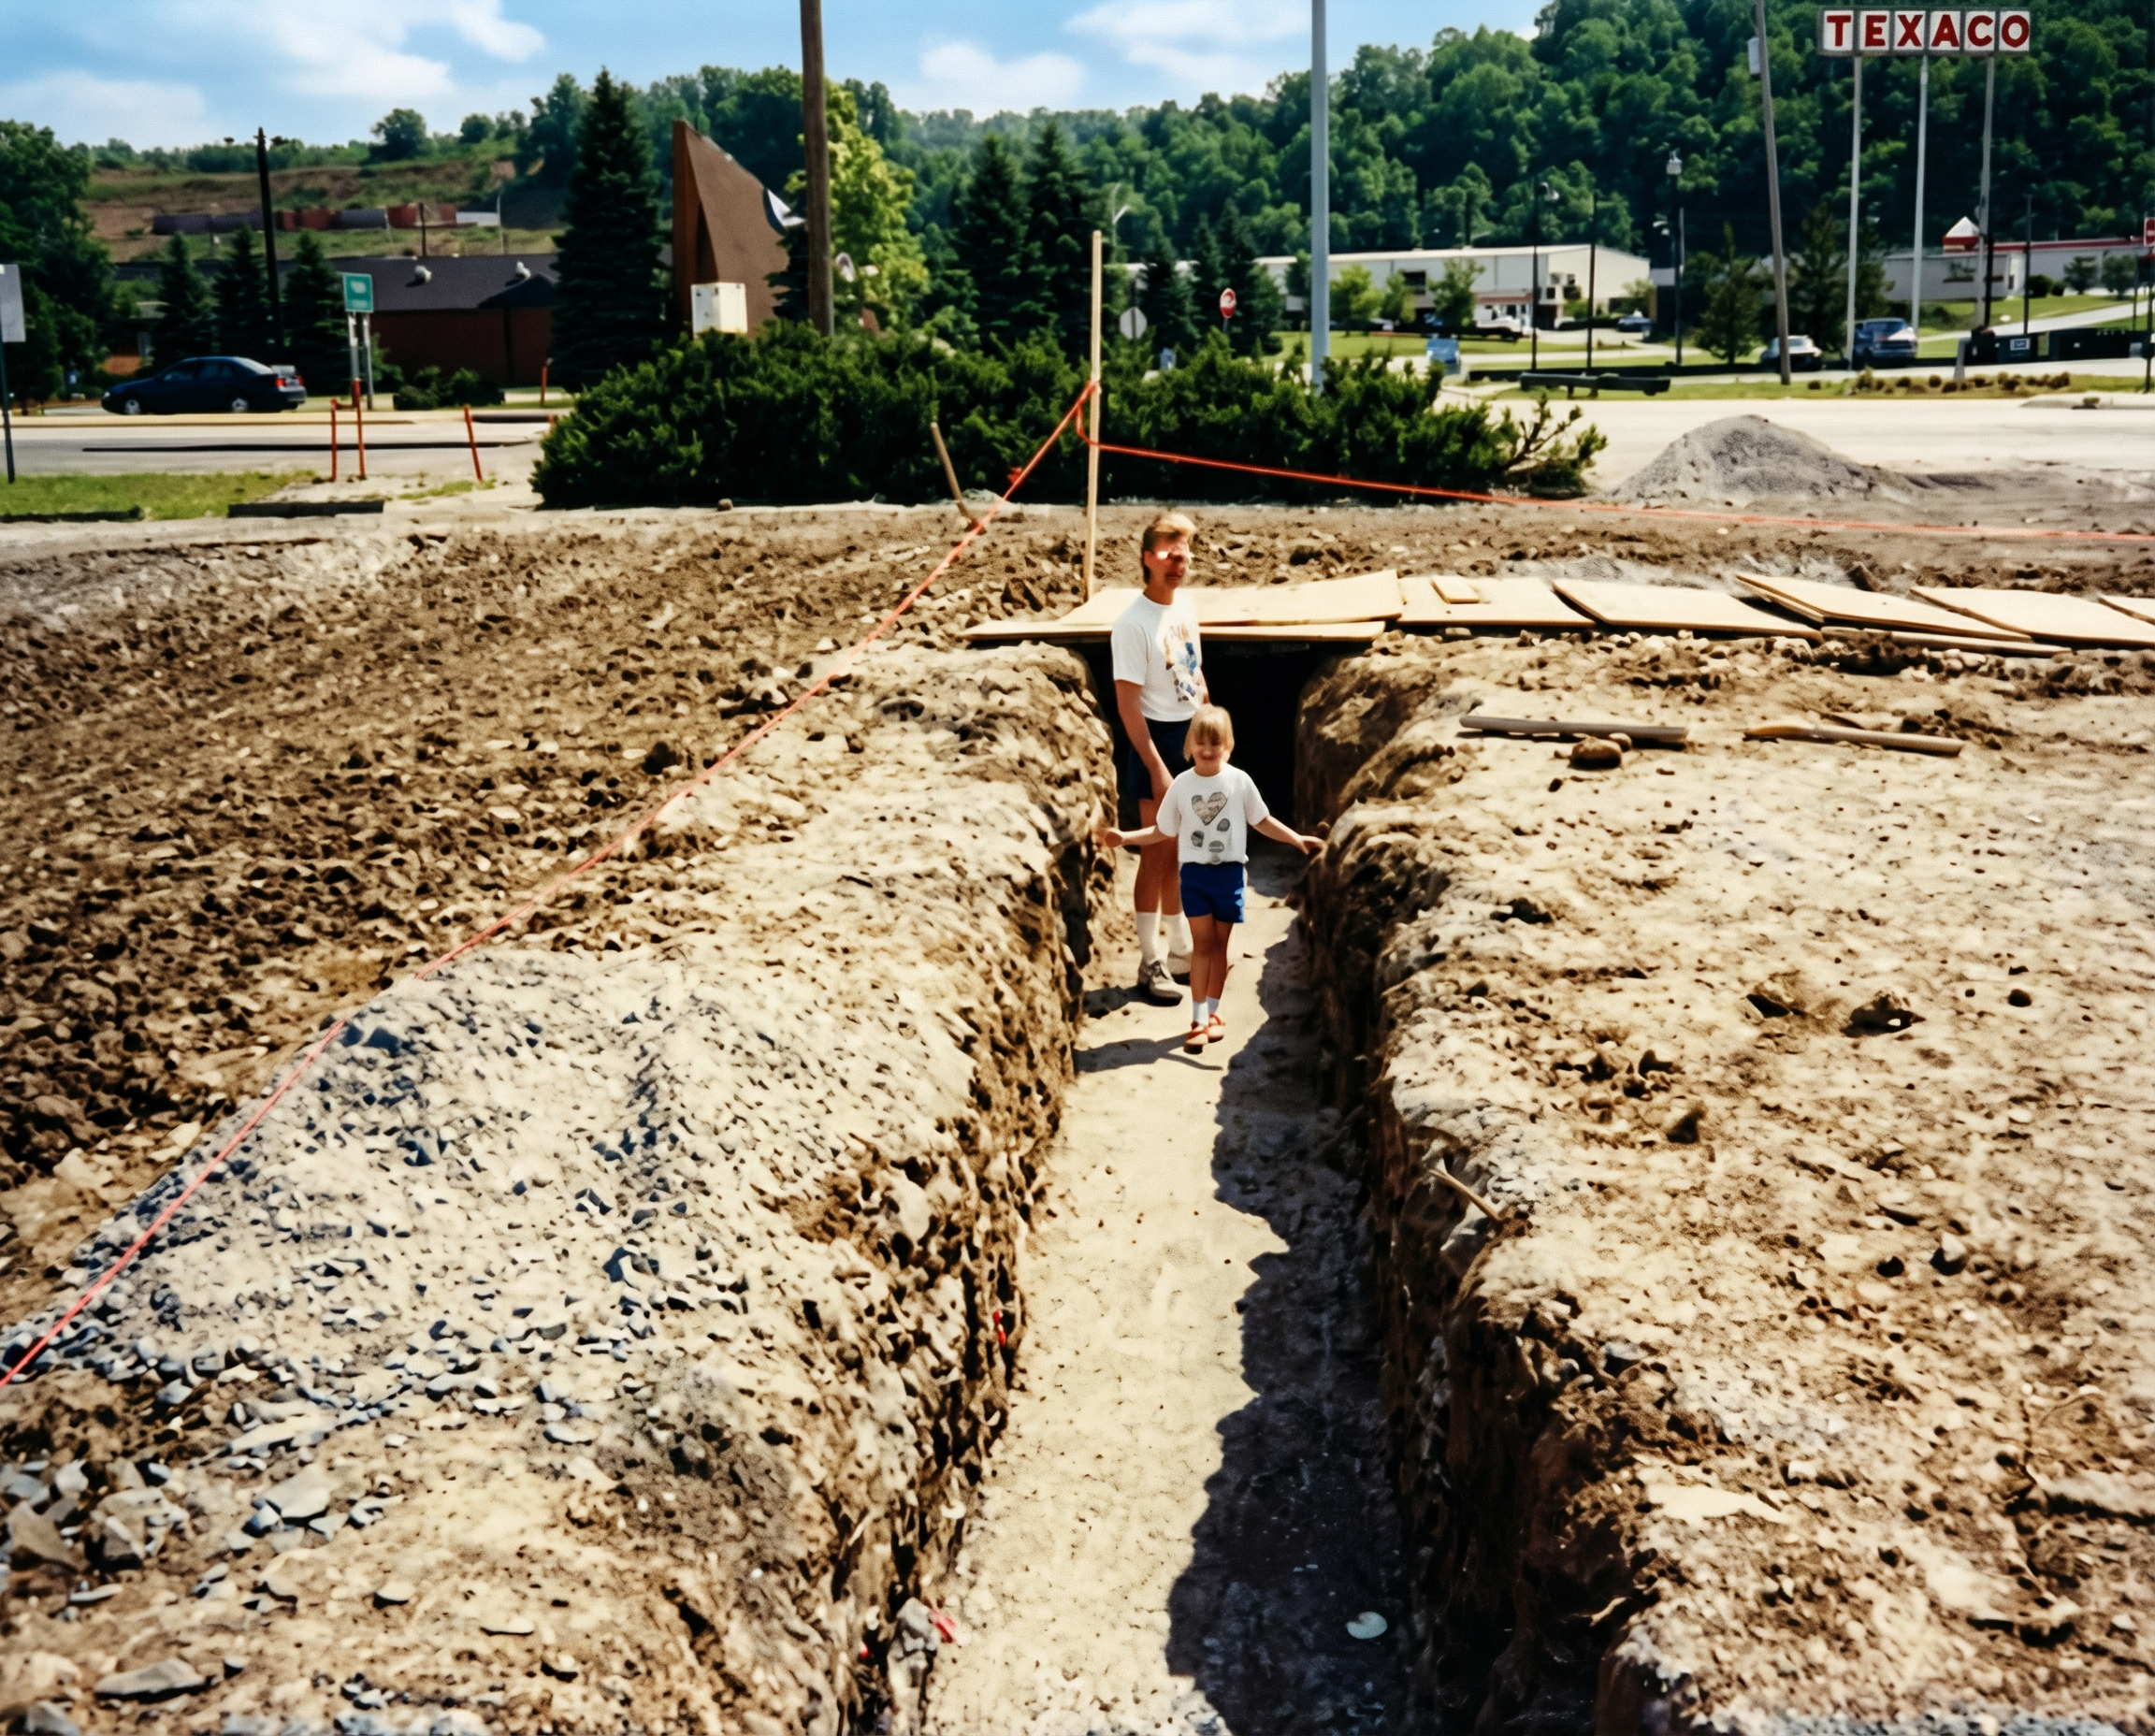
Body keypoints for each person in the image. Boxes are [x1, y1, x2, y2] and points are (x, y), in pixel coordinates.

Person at [1095, 705, 1321, 1054]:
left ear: (1228, 745)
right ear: (1189, 745)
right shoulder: (1182, 786)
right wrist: (1125, 838)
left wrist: (1297, 840)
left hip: (1229, 876)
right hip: (1196, 876)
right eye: (1201, 741)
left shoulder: (1238, 781)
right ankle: (1198, 1020)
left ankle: (1213, 1013)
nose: (1208, 749)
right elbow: (1162, 830)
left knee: (1220, 951)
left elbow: (1262, 821)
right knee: (1202, 947)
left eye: (1216, 742)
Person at [1110, 512, 1206, 1005]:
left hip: (1189, 739)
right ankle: (1151, 963)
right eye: (1169, 553)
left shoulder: (1185, 607)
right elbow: (1128, 703)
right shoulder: (1132, 625)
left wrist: (1209, 725)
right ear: (1147, 558)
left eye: (1184, 552)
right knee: (1156, 854)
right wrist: (1155, 766)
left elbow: (1194, 672)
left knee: (1181, 852)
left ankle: (1183, 949)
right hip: (1156, 744)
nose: (1178, 562)